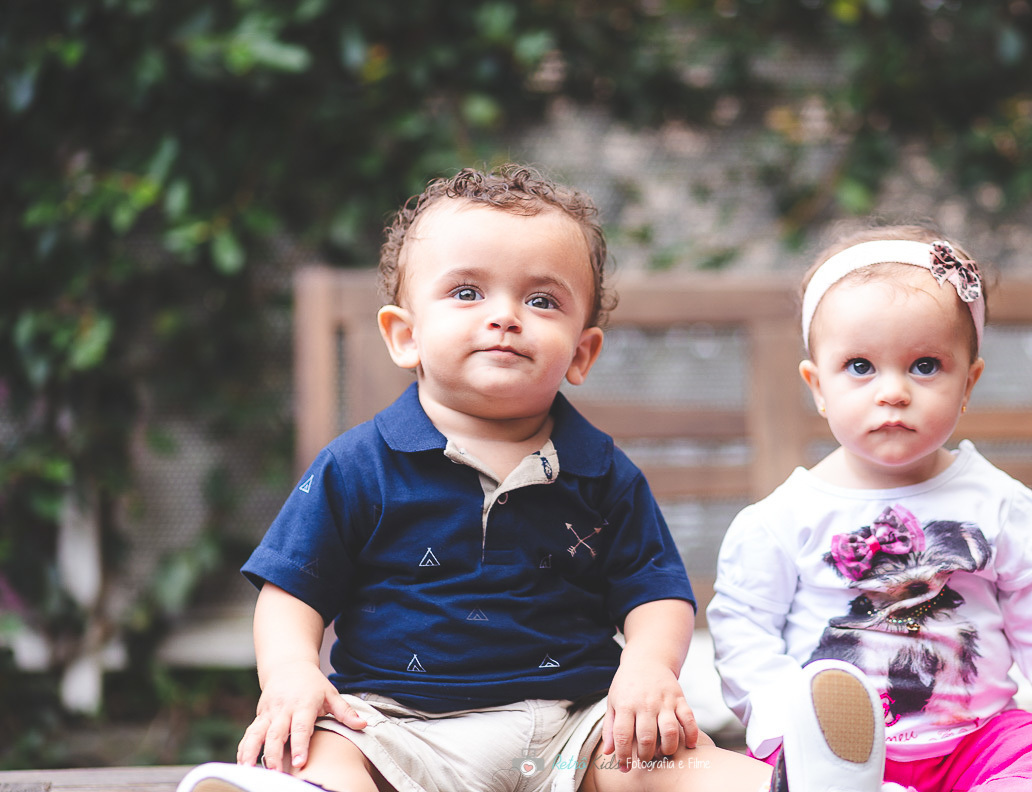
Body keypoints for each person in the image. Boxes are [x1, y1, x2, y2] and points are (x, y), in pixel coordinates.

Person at [175, 164, 783, 792]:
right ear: (405, 336)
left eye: (541, 300)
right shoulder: (357, 466)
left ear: (581, 353)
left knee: (666, 765)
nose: (506, 316)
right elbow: (292, 590)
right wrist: (291, 674)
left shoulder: (603, 473)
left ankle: (801, 782)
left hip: (576, 728)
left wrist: (649, 667)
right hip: (396, 728)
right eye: (467, 293)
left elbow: (654, 591)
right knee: (324, 753)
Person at [707, 225, 1032, 792]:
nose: (893, 392)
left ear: (968, 383)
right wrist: (790, 724)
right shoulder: (780, 520)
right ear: (817, 386)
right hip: (835, 756)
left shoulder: (1000, 504)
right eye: (860, 366)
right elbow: (744, 640)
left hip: (977, 742)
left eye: (925, 365)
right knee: (734, 775)